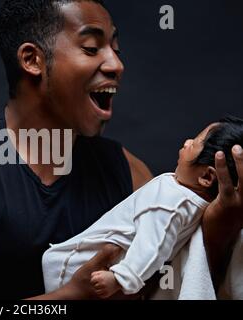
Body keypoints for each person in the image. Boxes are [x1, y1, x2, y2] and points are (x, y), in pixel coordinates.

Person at [0, 0, 243, 299]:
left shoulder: (131, 174)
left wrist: (219, 227)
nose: (117, 64)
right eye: (91, 47)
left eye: (115, 48)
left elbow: (174, 289)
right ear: (32, 60)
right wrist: (68, 298)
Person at [42, 117, 243, 298]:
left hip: (73, 268)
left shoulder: (172, 200)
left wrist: (122, 279)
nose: (186, 142)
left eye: (196, 142)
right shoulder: (190, 201)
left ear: (207, 177)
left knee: (52, 261)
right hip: (85, 270)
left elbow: (152, 245)